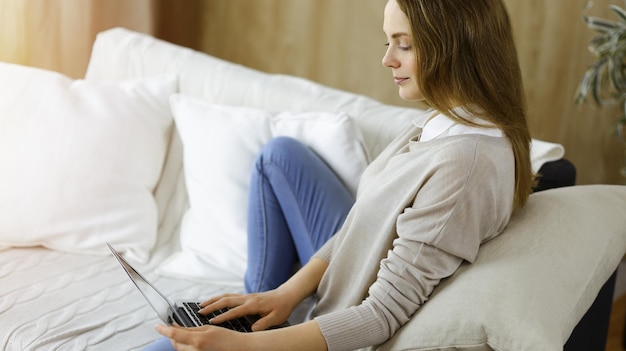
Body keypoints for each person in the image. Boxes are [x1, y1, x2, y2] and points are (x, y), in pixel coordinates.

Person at [148, 0, 535, 350]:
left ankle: (254, 326)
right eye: (388, 42)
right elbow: (361, 220)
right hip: (349, 270)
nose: (387, 59)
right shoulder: (442, 123)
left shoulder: (462, 168)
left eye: (404, 44)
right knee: (279, 156)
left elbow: (380, 316)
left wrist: (241, 347)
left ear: (455, 48)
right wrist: (282, 295)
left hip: (339, 325)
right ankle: (260, 306)